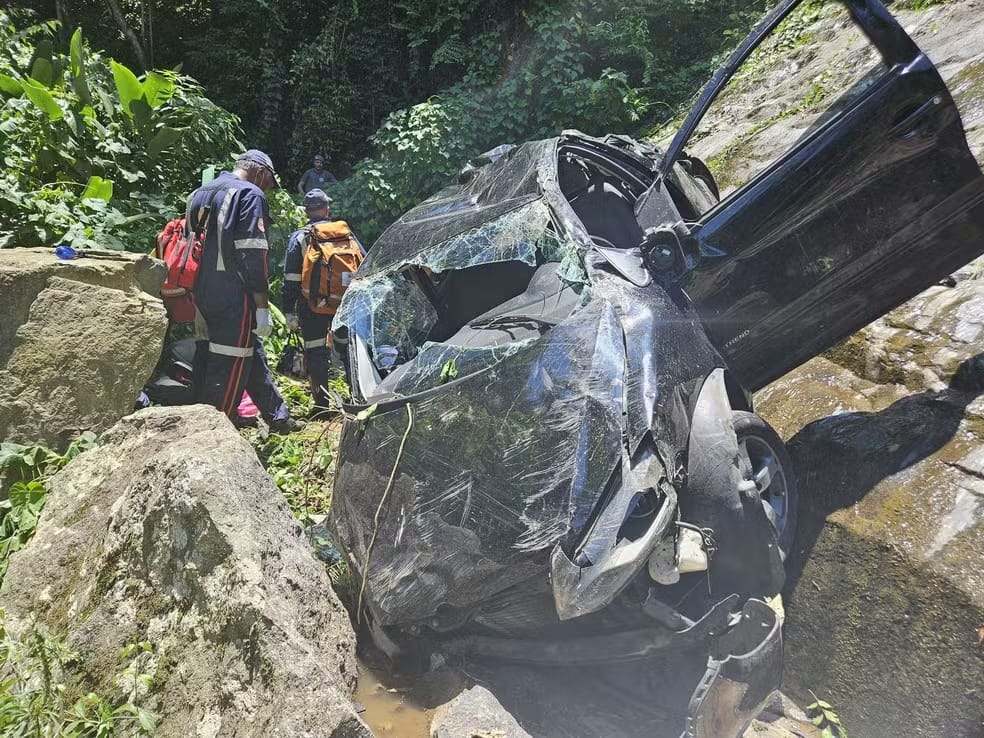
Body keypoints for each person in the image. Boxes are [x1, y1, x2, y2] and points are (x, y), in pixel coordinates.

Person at [187, 149, 304, 433]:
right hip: (232, 294)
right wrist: (261, 304)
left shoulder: (201, 192)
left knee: (242, 352)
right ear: (261, 172)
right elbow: (253, 252)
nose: (267, 189)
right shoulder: (250, 194)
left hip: (200, 290)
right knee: (229, 362)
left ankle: (278, 417)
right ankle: (214, 432)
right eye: (269, 182)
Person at [283, 189, 365, 411]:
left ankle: (322, 406)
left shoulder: (300, 237)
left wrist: (289, 311)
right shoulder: (345, 234)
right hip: (345, 303)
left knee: (316, 350)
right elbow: (364, 265)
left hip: (312, 306)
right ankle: (358, 398)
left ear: (307, 211)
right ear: (327, 208)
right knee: (349, 350)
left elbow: (291, 279)